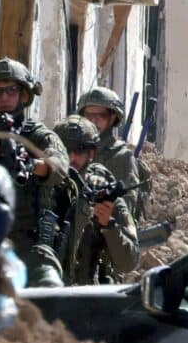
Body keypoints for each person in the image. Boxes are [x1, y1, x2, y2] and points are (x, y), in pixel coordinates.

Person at [0, 58, 69, 288]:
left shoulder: (39, 135)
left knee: (50, 289)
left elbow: (59, 166)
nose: (4, 98)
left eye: (11, 91)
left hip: (28, 245)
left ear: (25, 95)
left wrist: (35, 165)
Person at [53, 116, 139, 285]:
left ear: (91, 153)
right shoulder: (43, 189)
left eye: (78, 150)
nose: (71, 157)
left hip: (87, 295)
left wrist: (108, 225)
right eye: (65, 149)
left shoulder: (104, 195)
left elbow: (129, 261)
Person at [77, 87, 146, 219]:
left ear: (112, 117)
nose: (93, 121)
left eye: (100, 116)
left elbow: (127, 208)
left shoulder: (122, 157)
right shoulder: (75, 151)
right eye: (89, 115)